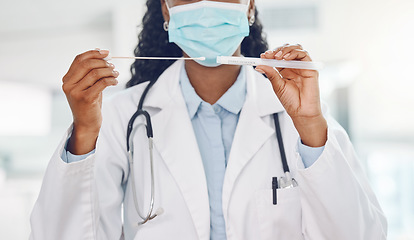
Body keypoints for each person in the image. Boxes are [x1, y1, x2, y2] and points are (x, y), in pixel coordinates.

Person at [29, 0, 387, 239]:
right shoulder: (122, 117)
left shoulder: (298, 116)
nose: (205, 6)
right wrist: (85, 132)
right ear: (166, 13)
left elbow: (360, 233)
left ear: (248, 7)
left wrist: (309, 126)